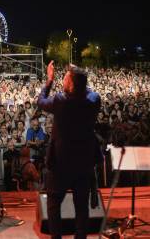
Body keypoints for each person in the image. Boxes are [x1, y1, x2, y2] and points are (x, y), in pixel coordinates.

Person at [38, 61, 102, 239]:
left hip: (61, 163)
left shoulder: (61, 101)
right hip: (84, 162)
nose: (63, 80)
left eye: (66, 78)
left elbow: (41, 101)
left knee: (53, 203)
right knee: (81, 205)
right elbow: (87, 91)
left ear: (72, 84)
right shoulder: (93, 100)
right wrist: (80, 77)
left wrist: (49, 80)